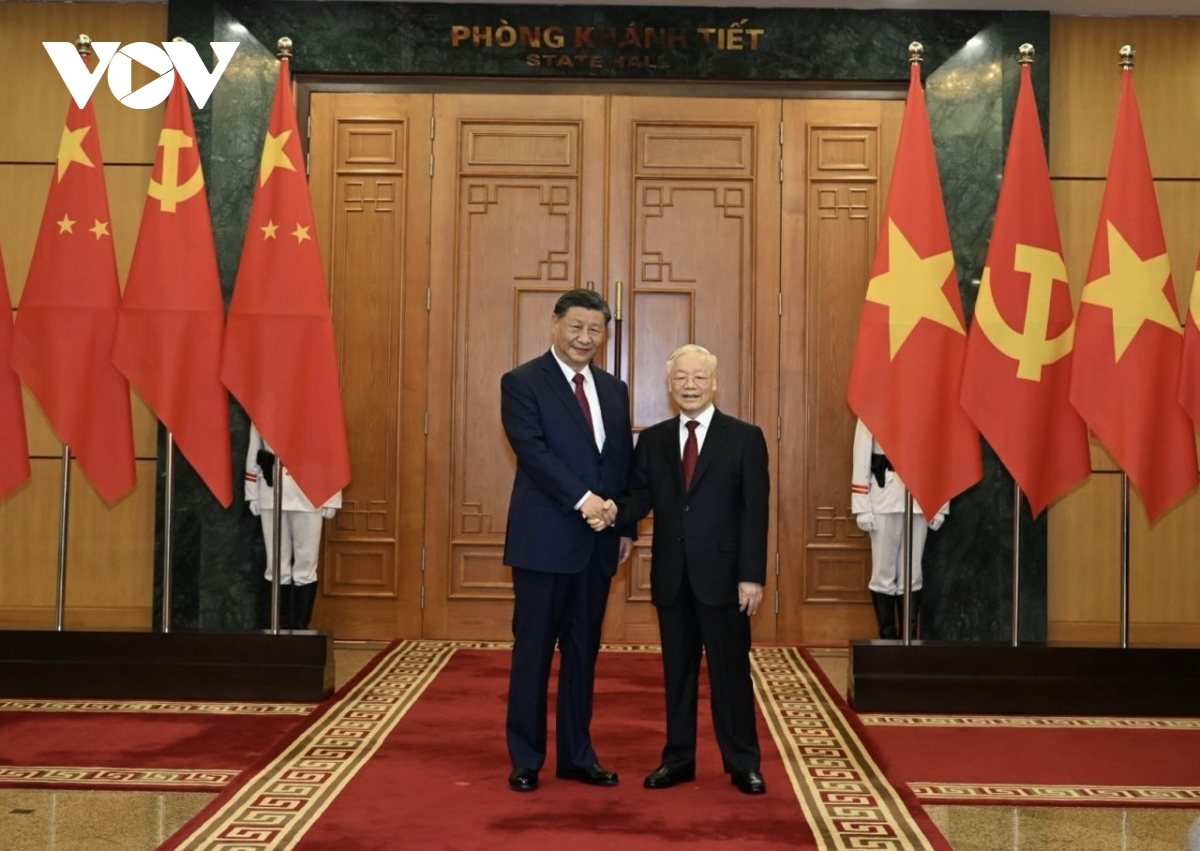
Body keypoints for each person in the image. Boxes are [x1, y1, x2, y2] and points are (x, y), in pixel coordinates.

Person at [592, 343, 769, 795]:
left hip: (725, 579)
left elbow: (754, 513)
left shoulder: (745, 437)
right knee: (678, 673)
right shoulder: (653, 440)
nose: (690, 386)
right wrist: (615, 514)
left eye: (699, 377)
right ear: (669, 386)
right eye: (681, 378)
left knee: (730, 674)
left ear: (715, 383)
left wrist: (751, 576)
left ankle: (743, 762)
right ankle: (678, 759)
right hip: (673, 577)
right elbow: (640, 497)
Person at [500, 288, 635, 793]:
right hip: (544, 541)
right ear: (555, 325)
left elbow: (620, 461)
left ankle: (578, 756)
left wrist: (623, 524)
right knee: (533, 652)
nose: (584, 337)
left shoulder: (614, 389)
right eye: (576, 326)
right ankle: (526, 758)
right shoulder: (522, 382)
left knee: (583, 653)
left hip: (599, 543)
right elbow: (532, 451)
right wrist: (584, 501)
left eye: (595, 329)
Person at [850, 418, 946, 640]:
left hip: (920, 497)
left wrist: (940, 504)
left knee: (913, 574)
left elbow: (941, 455)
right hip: (884, 496)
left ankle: (908, 641)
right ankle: (887, 639)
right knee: (882, 574)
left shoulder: (928, 407)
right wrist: (861, 505)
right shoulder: (875, 405)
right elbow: (861, 454)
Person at [245, 423, 341, 630]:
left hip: (310, 493)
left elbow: (332, 451)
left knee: (306, 566)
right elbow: (255, 449)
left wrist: (332, 496)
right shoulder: (264, 409)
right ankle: (278, 627)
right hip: (272, 492)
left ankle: (299, 629)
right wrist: (252, 492)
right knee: (275, 565)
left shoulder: (317, 410)